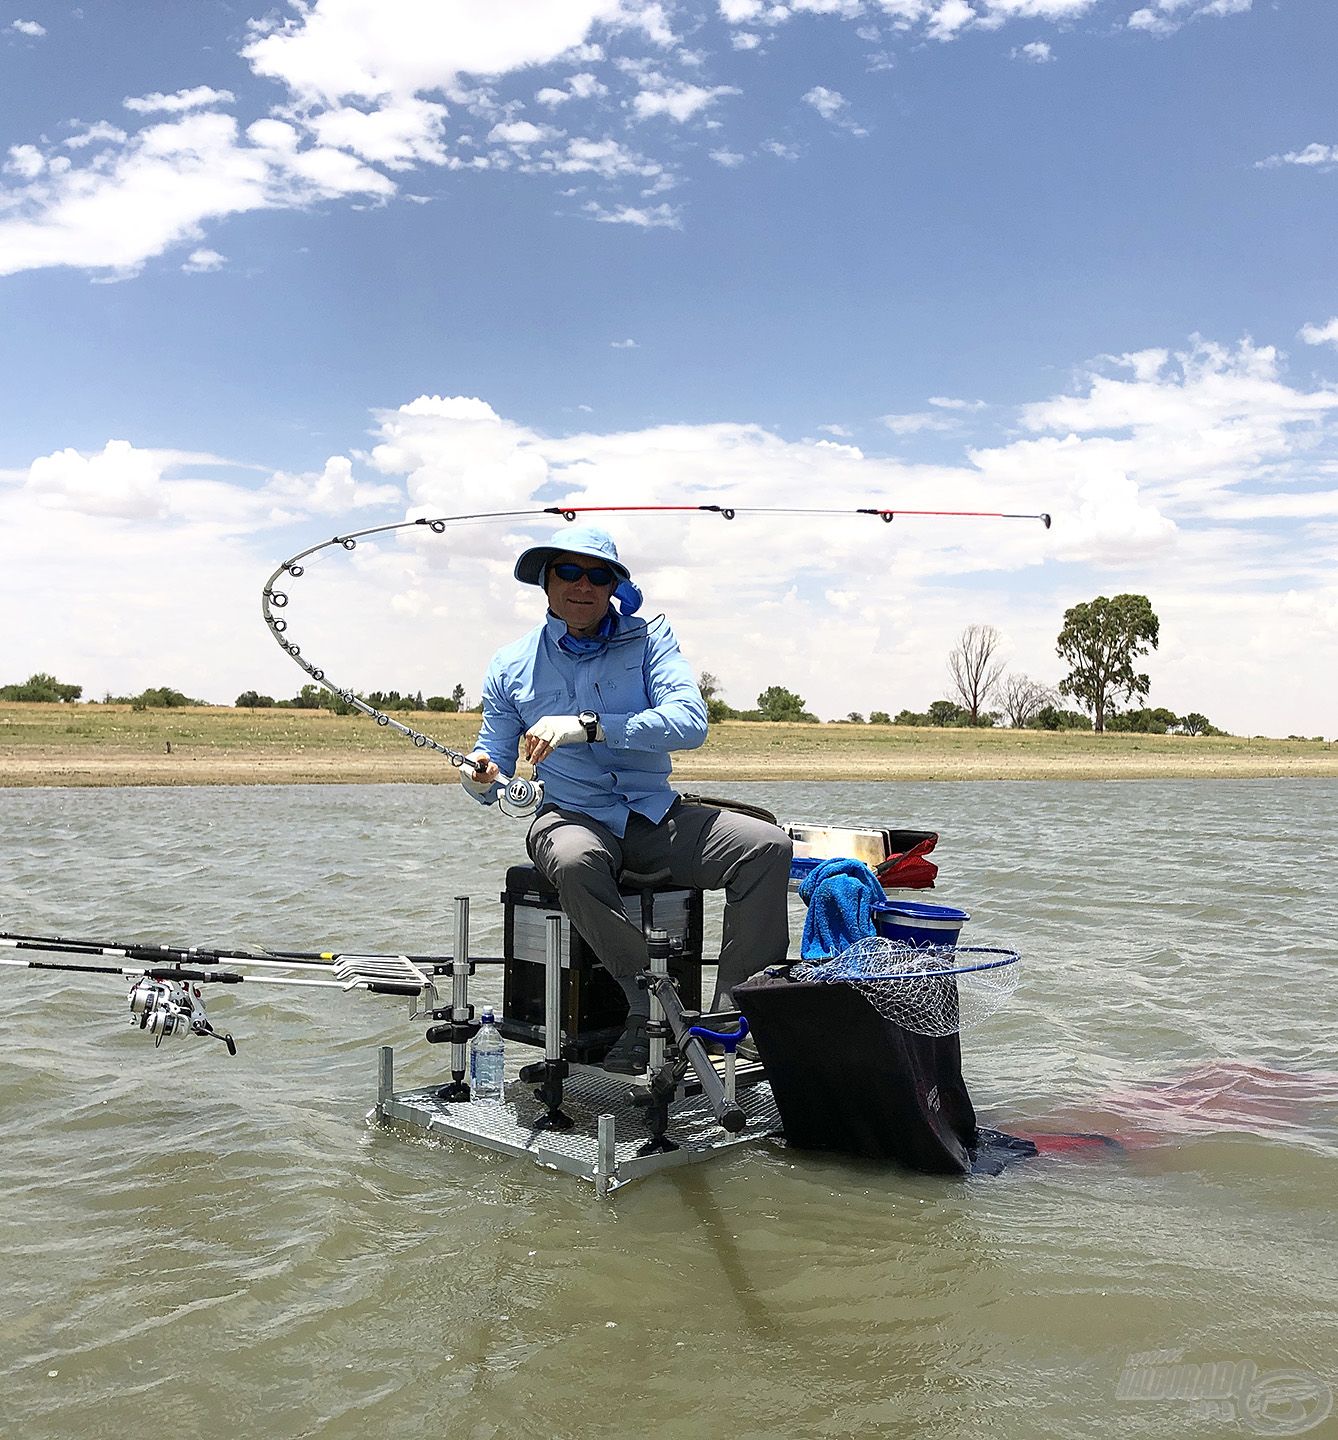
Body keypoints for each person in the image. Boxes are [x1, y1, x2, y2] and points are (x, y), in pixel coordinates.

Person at [460, 524, 792, 1074]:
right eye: (568, 571)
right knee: (573, 858)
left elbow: (690, 723)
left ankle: (737, 1022)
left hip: (654, 813)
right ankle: (653, 1011)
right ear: (546, 582)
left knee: (766, 846)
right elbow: (491, 768)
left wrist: (591, 726)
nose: (582, 585)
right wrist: (480, 777)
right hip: (569, 817)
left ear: (614, 586)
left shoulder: (651, 639)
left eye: (597, 575)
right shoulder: (509, 665)